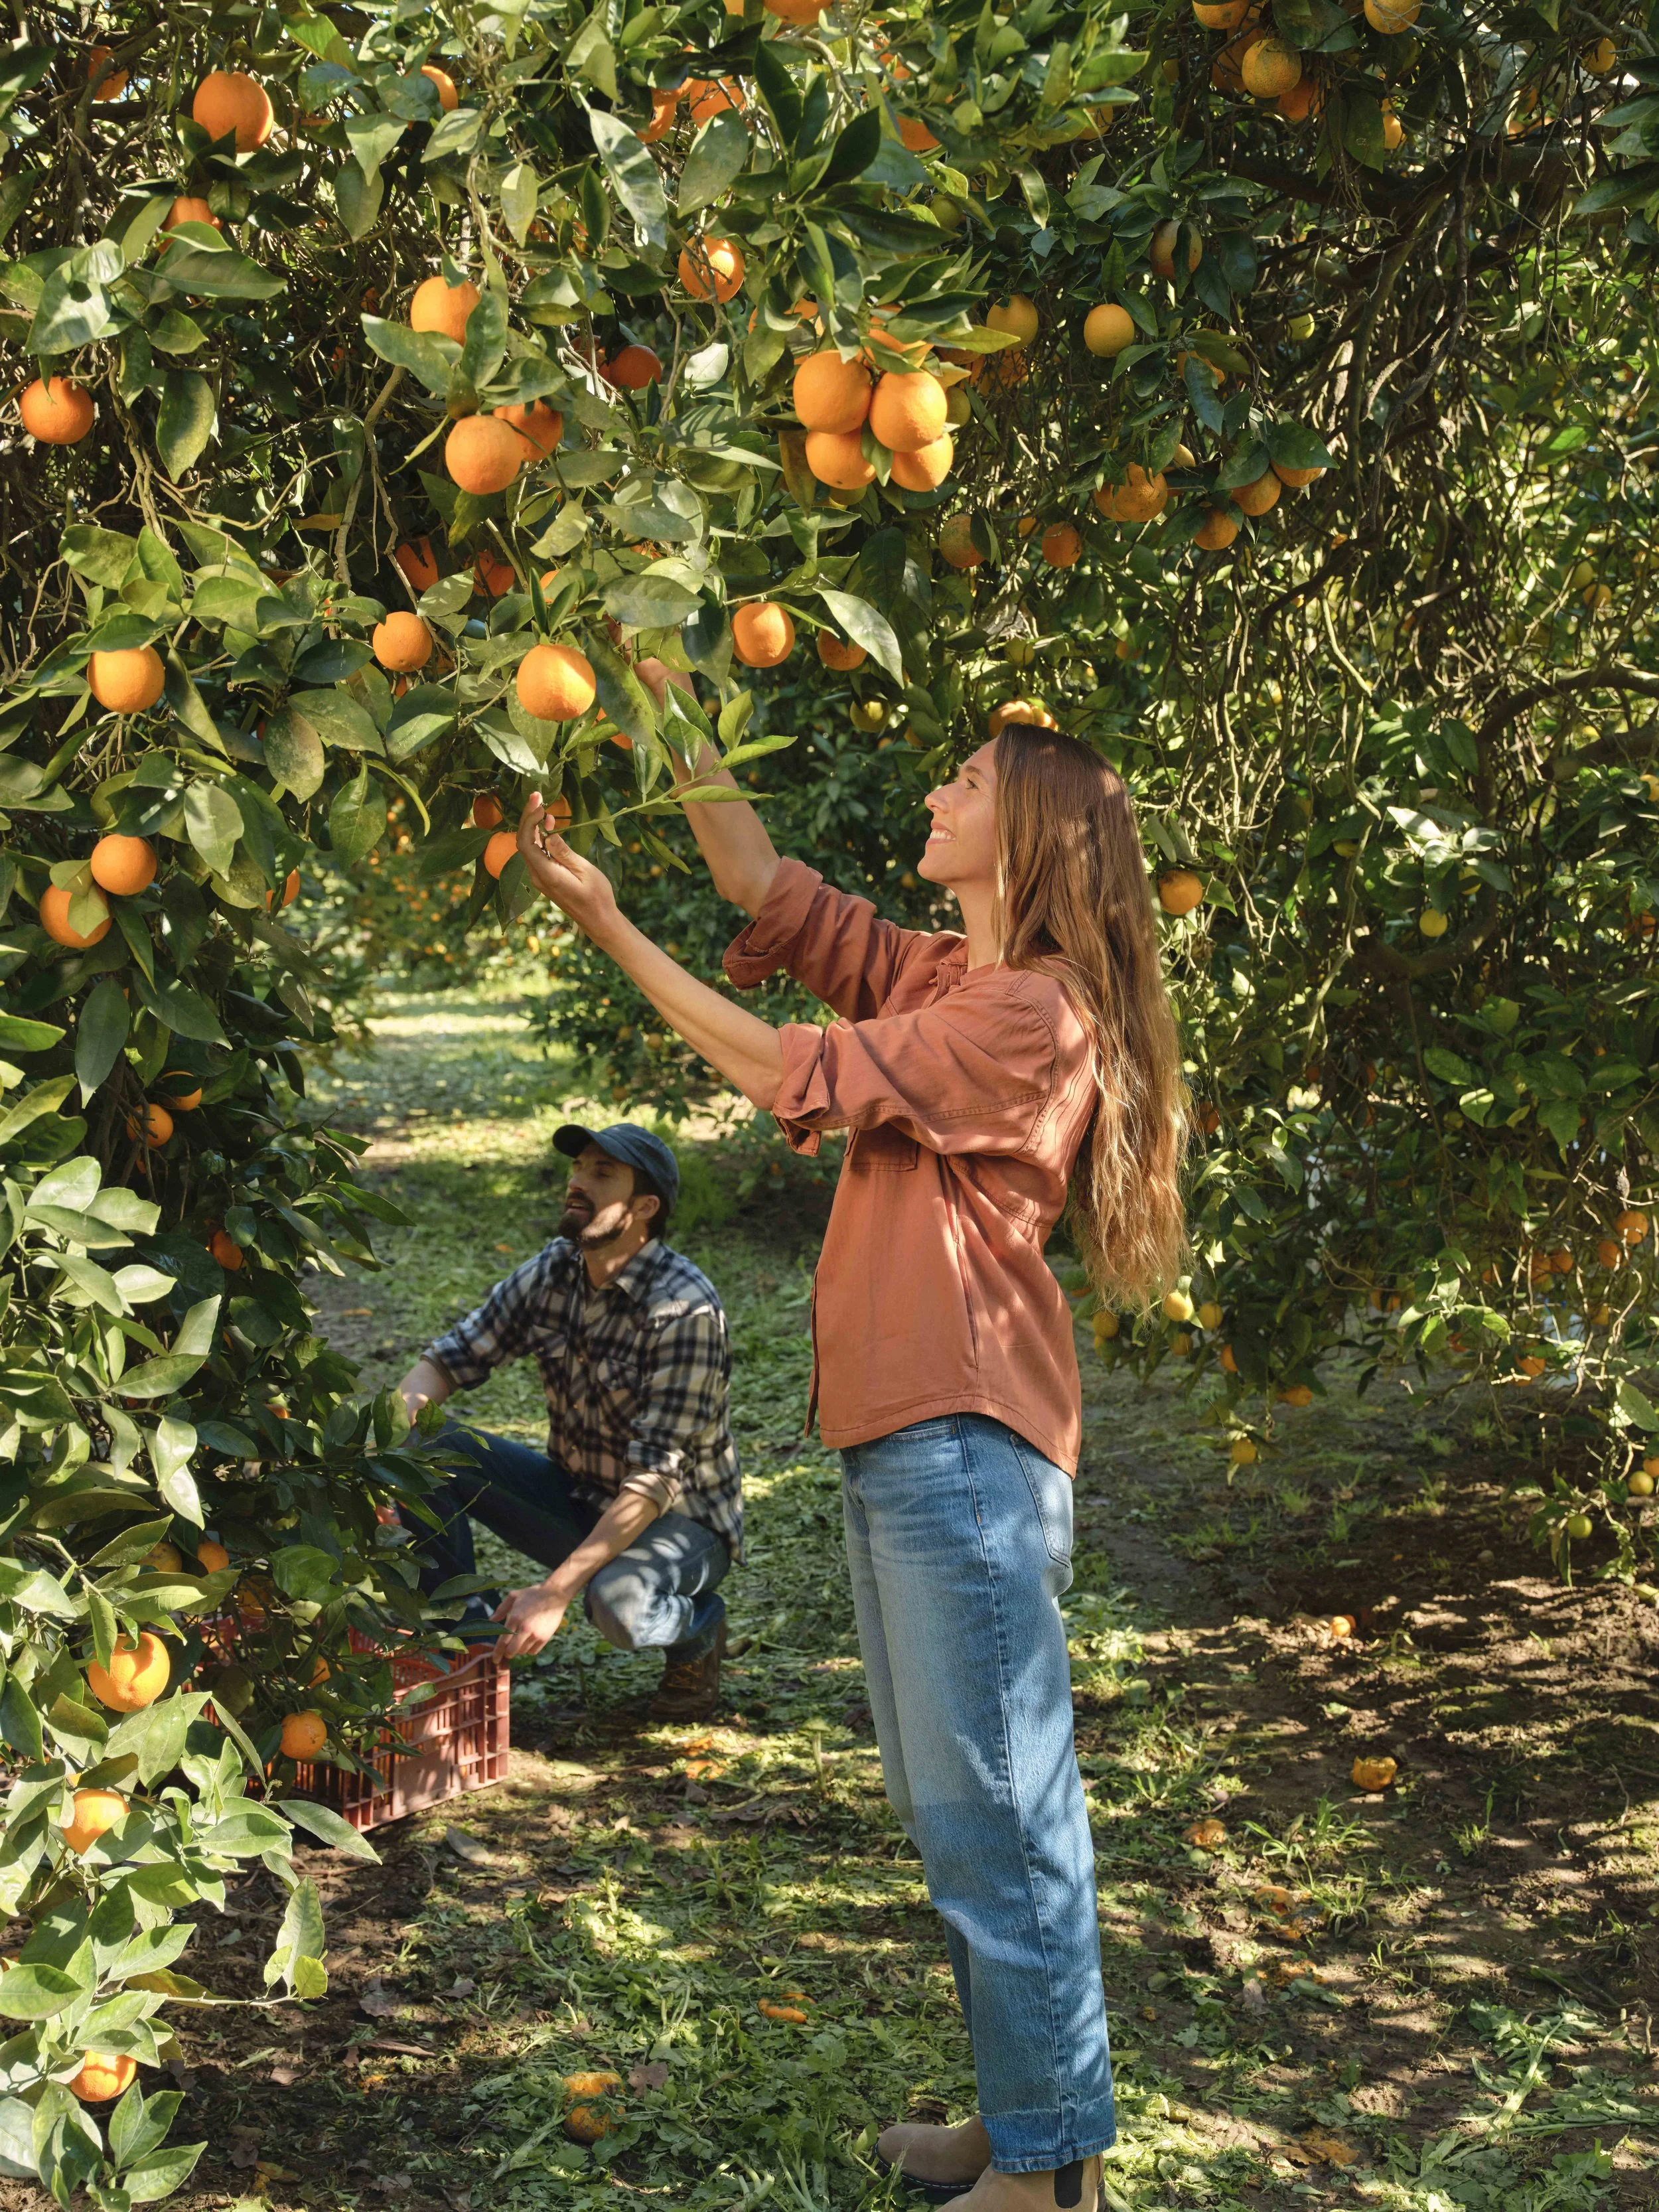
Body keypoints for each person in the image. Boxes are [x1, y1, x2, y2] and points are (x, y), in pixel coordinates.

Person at [510, 716, 1188, 2212]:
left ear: (1026, 831)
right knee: (954, 1809)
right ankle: (1028, 2123)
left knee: (1003, 1815)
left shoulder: (1035, 1016)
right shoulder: (946, 973)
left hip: (963, 1439)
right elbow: (757, 875)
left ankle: (1051, 2177)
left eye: (964, 782)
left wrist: (610, 922)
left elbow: (777, 1062)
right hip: (905, 1437)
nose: (934, 791)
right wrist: (657, 681)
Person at [397, 1122, 740, 1722]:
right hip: (577, 1496)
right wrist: (383, 1452)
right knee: (425, 1444)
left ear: (644, 1208)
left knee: (619, 1604)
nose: (576, 1183)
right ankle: (467, 1653)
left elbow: (652, 1483)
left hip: (680, 1522)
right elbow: (447, 1361)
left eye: (601, 1173)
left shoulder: (685, 1309)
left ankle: (698, 1630)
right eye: (578, 1167)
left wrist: (556, 1592)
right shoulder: (556, 1270)